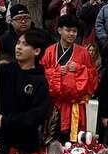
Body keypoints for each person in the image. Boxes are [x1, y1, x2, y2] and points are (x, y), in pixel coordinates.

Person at [41, 14, 98, 144]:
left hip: (75, 105)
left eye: (74, 31)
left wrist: (79, 69)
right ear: (59, 30)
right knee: (52, 137)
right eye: (68, 30)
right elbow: (42, 73)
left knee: (74, 140)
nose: (72, 34)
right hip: (54, 103)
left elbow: (93, 76)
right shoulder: (50, 51)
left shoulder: (83, 52)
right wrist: (55, 72)